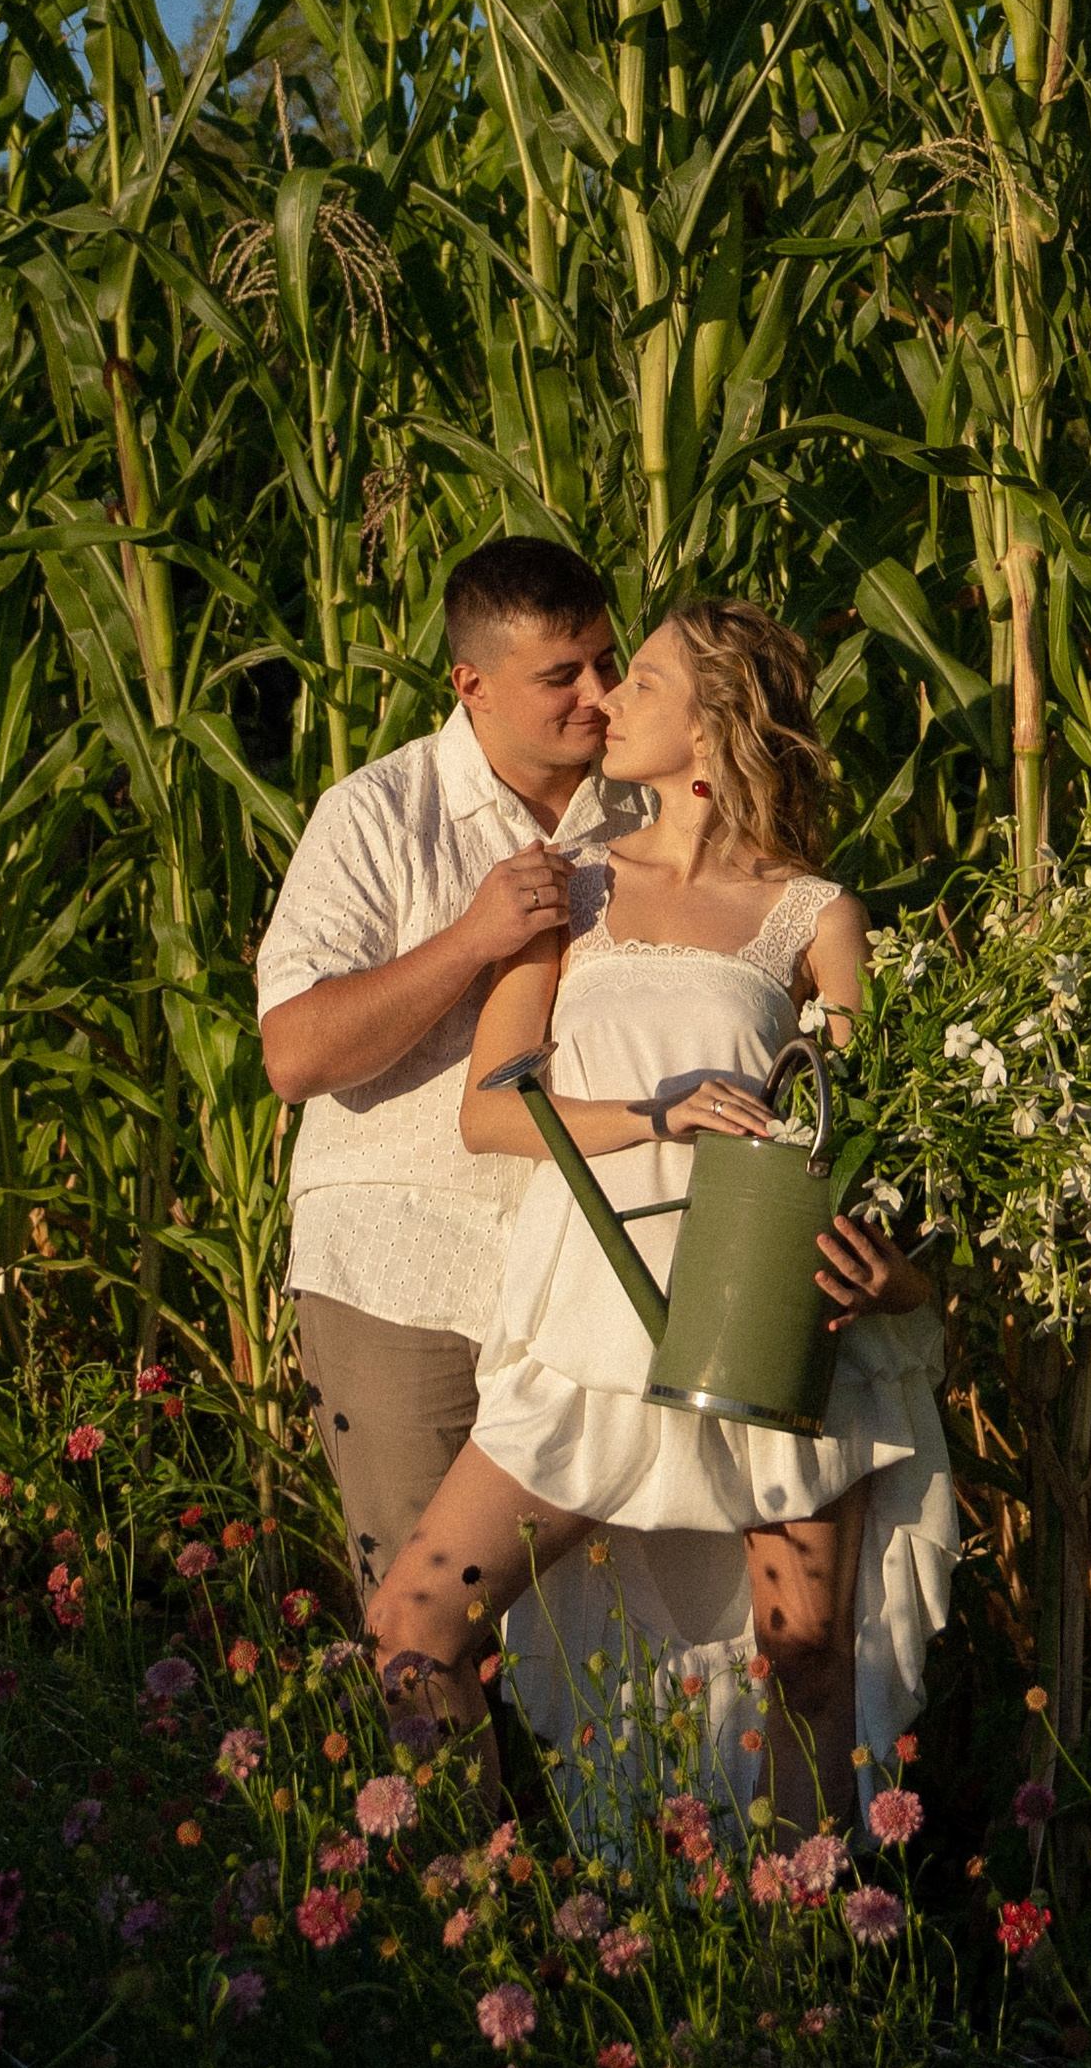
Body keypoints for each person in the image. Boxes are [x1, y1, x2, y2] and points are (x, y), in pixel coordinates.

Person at [364, 601, 955, 1830]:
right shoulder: (568, 892)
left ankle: (810, 1975)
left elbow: (876, 1146)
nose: (605, 704)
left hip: (767, 1333)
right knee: (413, 1626)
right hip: (589, 1330)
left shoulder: (815, 916)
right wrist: (655, 1112)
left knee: (803, 1665)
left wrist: (892, 1279)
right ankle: (482, 1914)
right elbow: (490, 1111)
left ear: (713, 727)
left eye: (638, 683)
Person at [255, 535, 634, 1607]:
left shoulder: (646, 812)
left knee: (592, 1644)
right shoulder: (377, 815)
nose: (599, 696)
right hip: (403, 1268)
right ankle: (436, 1791)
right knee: (427, 1625)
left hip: (587, 1277)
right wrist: (470, 940)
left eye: (607, 661)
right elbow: (295, 1054)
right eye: (561, 675)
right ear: (469, 684)